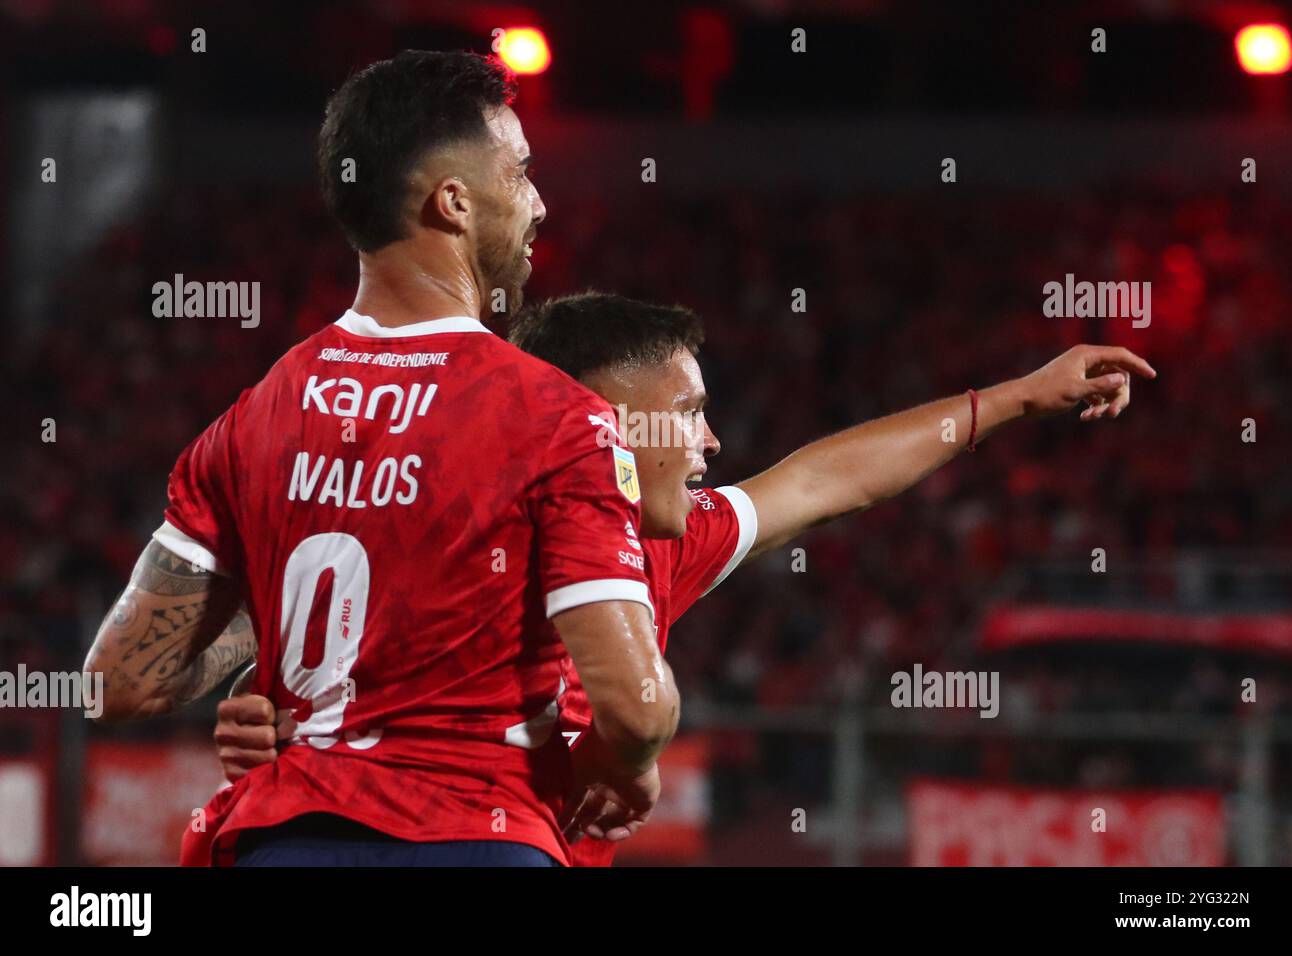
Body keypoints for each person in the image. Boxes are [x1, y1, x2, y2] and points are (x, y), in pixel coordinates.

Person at [213, 290, 1156, 865]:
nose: (710, 441)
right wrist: (271, 714)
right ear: (600, 424)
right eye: (690, 412)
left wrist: (1020, 397)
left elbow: (826, 479)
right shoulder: (448, 531)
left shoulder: (657, 544)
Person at [82, 53, 677, 867]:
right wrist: (630, 770)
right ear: (454, 202)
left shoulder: (256, 415)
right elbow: (635, 708)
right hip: (477, 839)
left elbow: (118, 681)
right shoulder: (560, 420)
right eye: (524, 175)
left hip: (283, 843)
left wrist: (288, 643)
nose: (539, 204)